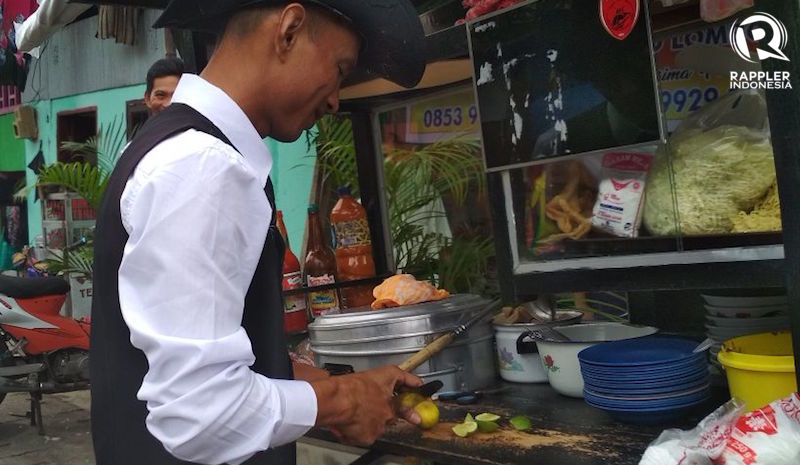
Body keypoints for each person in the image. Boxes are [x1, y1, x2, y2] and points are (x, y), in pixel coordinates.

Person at [89, 1, 426, 465]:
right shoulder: (202, 166)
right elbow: (198, 410)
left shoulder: (183, 151)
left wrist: (308, 380)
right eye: (340, 69)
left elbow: (175, 353)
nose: (334, 100)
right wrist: (342, 402)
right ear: (288, 31)